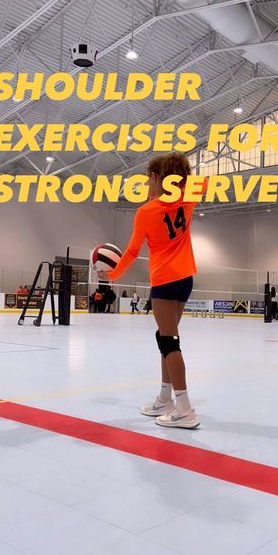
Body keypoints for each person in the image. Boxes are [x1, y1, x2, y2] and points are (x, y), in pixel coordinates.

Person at [99, 152, 202, 429]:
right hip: (185, 280)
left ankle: (184, 408)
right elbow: (200, 184)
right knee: (165, 338)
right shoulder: (188, 198)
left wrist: (113, 274)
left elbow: (132, 251)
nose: (147, 186)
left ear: (157, 178)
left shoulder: (147, 211)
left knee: (169, 342)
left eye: (149, 180)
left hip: (165, 280)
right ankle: (165, 398)